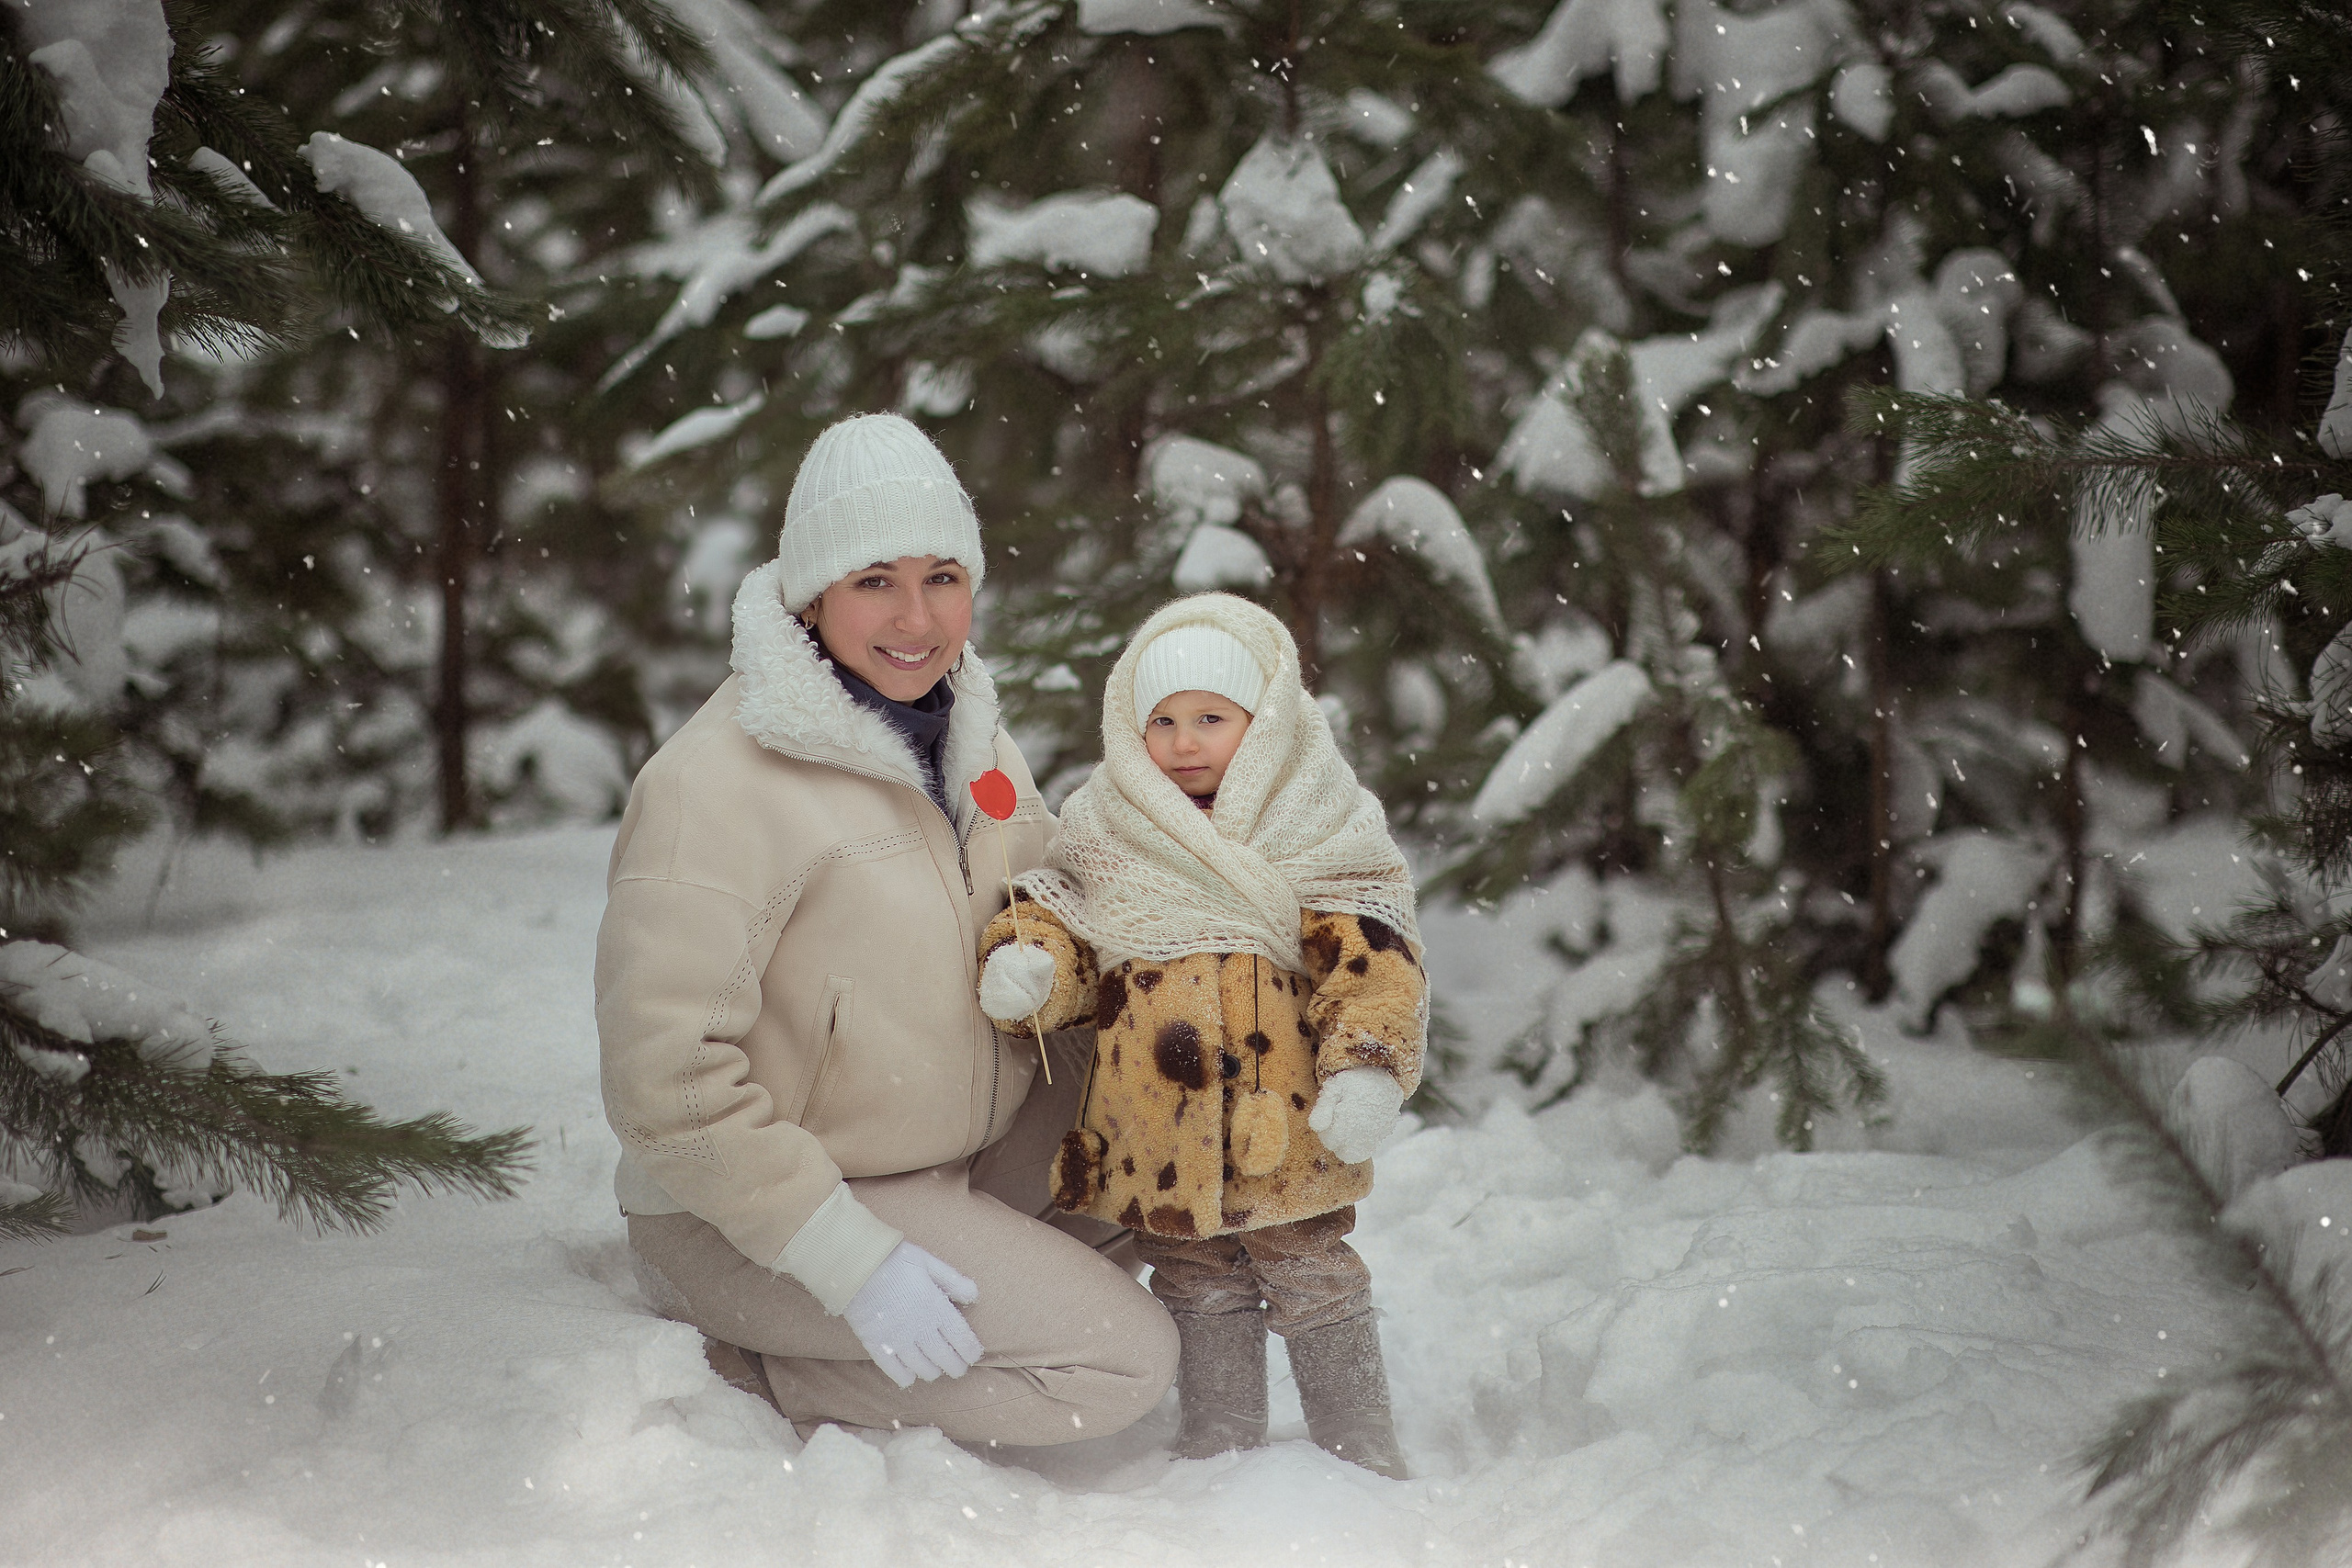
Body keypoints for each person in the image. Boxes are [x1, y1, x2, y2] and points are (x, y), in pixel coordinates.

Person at [595, 412, 1177, 1445]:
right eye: (874, 581)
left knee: (1166, 1155)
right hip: (755, 1215)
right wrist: (849, 1262)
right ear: (810, 595)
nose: (917, 617)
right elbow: (664, 1083)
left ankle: (972, 1290)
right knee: (1119, 1360)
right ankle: (766, 1366)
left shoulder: (969, 736)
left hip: (948, 1156)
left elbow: (1050, 912)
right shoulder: (713, 786)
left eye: (942, 577)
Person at [972, 592, 1426, 1478]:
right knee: (1191, 1272)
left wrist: (1367, 1062)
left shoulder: (1315, 821)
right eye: (1163, 721)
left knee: (1311, 1267)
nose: (1183, 743)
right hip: (1160, 1124)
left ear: (1266, 722)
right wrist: (1036, 966)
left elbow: (1370, 958)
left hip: (1280, 1117)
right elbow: (1064, 920)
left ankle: (1359, 1436)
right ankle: (1220, 1435)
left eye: (1211, 718)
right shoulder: (1108, 828)